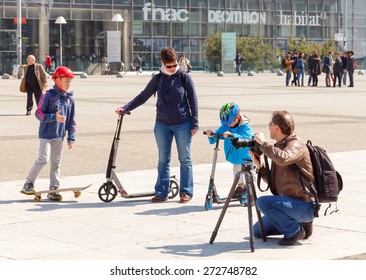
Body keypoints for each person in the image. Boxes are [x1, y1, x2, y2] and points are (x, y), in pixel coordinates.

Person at [115, 47, 199, 203]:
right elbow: (142, 97)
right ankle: (161, 191)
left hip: (183, 124)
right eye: (169, 66)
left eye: (175, 65)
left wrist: (195, 123)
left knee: (185, 158)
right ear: (162, 63)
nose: (173, 68)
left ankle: (186, 192)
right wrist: (125, 107)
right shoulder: (158, 78)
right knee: (163, 159)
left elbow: (193, 101)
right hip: (162, 125)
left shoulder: (184, 77)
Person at [250, 111, 315, 246]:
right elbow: (273, 183)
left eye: (269, 124)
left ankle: (294, 230)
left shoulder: (296, 145)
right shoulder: (279, 147)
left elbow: (283, 158)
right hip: (290, 205)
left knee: (262, 202)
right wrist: (259, 165)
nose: (268, 127)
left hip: (304, 206)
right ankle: (299, 226)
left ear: (276, 127)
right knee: (257, 230)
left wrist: (264, 143)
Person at [21, 66, 76, 201]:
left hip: (59, 136)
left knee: (56, 163)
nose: (69, 84)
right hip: (46, 135)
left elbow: (71, 121)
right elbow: (38, 113)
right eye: (66, 81)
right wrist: (53, 117)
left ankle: (53, 190)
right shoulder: (48, 96)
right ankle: (28, 183)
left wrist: (71, 137)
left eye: (70, 82)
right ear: (57, 80)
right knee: (43, 159)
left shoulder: (70, 100)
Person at [204, 102, 254, 199]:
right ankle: (240, 188)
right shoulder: (226, 125)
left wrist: (233, 136)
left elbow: (248, 138)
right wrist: (212, 134)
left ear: (237, 118)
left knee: (250, 175)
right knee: (236, 171)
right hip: (236, 156)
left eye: (229, 123)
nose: (228, 126)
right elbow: (218, 134)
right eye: (225, 124)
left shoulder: (245, 126)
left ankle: (252, 194)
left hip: (246, 155)